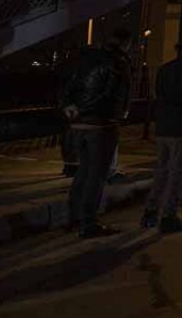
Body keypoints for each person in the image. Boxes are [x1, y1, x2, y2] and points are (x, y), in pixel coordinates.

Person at [59, 28, 133, 239]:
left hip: (78, 125)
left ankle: (73, 217)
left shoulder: (84, 59)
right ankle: (88, 222)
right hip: (101, 125)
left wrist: (70, 107)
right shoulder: (118, 63)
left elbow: (67, 84)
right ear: (124, 44)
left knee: (83, 172)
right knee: (97, 175)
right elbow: (112, 94)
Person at [142, 37, 182, 233]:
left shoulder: (165, 69)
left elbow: (159, 95)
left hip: (164, 127)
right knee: (178, 174)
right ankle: (169, 215)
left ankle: (151, 211)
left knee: (162, 171)